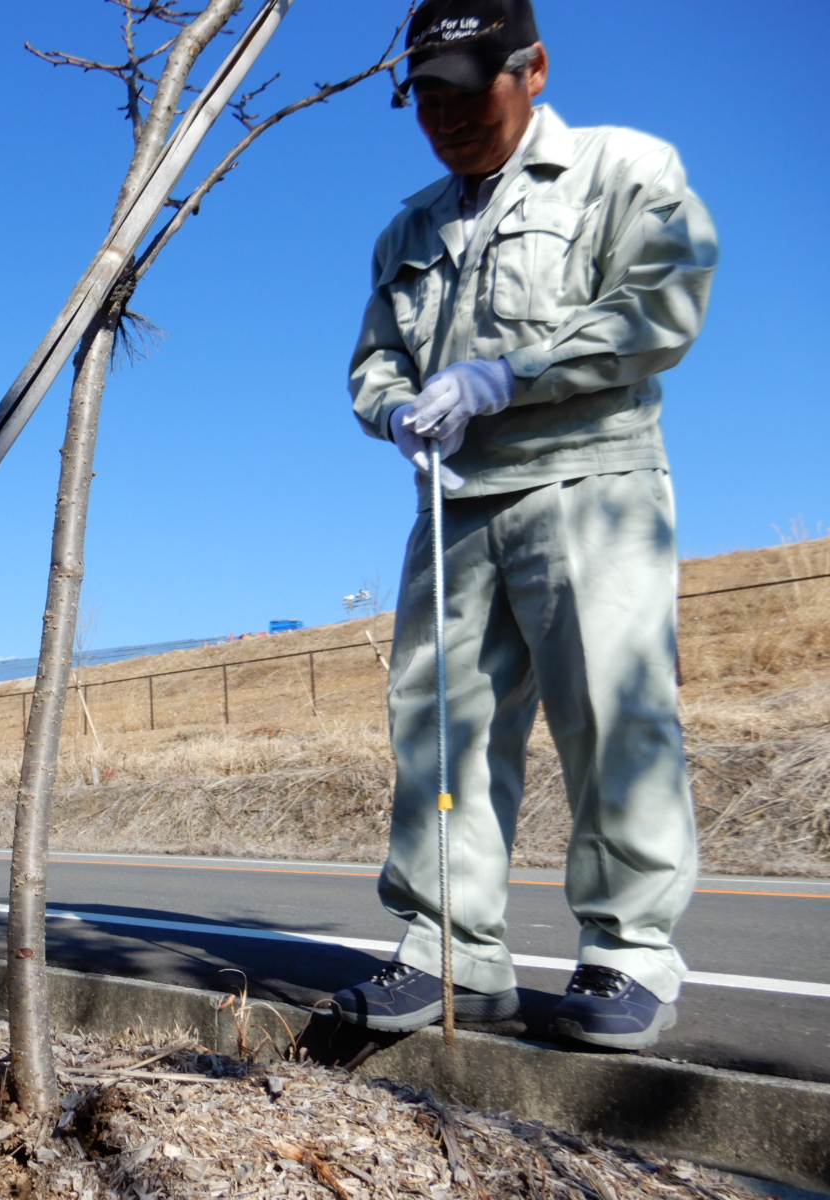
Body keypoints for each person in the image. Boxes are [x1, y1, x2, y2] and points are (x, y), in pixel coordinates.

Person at [336, 0, 717, 1049]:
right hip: (454, 503)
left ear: (533, 67)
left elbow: (664, 304)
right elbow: (372, 364)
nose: (445, 114)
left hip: (589, 483)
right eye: (426, 95)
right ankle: (451, 948)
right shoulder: (408, 230)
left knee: (611, 712)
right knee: (439, 729)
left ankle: (627, 955)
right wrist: (394, 413)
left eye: (468, 87)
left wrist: (510, 374)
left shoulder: (621, 168)